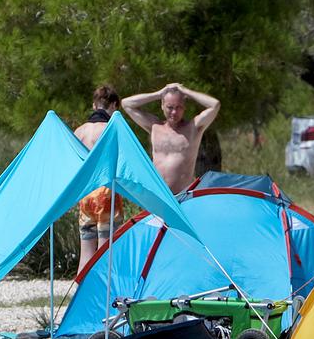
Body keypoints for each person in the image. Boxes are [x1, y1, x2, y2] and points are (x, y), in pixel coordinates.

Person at [122, 82, 221, 195]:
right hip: (158, 196)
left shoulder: (193, 127)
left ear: (184, 107)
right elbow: (126, 104)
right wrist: (158, 93)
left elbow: (215, 105)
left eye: (179, 107)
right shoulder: (155, 126)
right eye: (170, 107)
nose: (174, 112)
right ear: (162, 105)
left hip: (183, 197)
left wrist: (185, 91)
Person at [74, 85, 126, 275]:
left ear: (94, 105)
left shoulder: (79, 131)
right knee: (106, 253)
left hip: (86, 195)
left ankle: (82, 297)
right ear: (113, 105)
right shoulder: (111, 129)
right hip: (106, 193)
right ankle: (104, 297)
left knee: (86, 254)